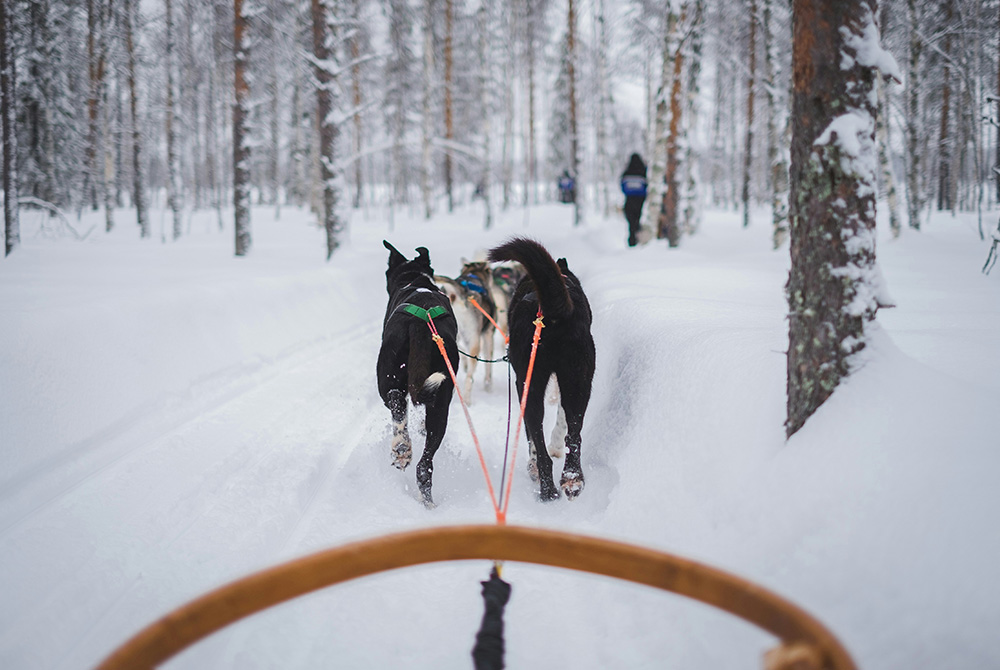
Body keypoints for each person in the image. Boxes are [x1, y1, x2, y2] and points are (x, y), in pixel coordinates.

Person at [620, 153, 648, 247]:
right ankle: (639, 239)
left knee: (631, 223)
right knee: (638, 221)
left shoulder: (627, 172)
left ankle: (632, 240)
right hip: (641, 202)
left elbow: (623, 186)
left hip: (629, 202)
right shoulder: (643, 171)